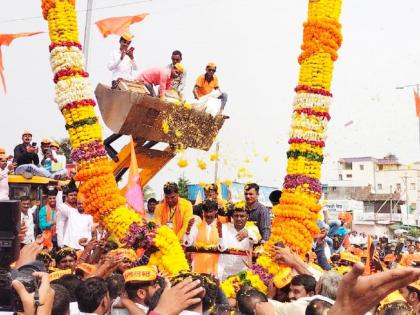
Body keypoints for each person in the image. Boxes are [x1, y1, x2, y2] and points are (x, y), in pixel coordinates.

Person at [218, 205, 261, 281]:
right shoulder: (225, 227)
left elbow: (256, 239)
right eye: (236, 216)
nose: (239, 218)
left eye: (242, 216)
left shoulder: (252, 228)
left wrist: (248, 233)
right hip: (225, 271)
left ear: (247, 217)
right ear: (232, 217)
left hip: (243, 270)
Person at [183, 199, 223, 276]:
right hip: (198, 264)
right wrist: (188, 229)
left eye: (210, 211)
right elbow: (187, 243)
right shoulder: (197, 226)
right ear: (203, 212)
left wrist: (220, 233)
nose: (208, 214)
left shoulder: (222, 226)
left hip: (216, 265)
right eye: (206, 212)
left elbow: (222, 247)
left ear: (216, 211)